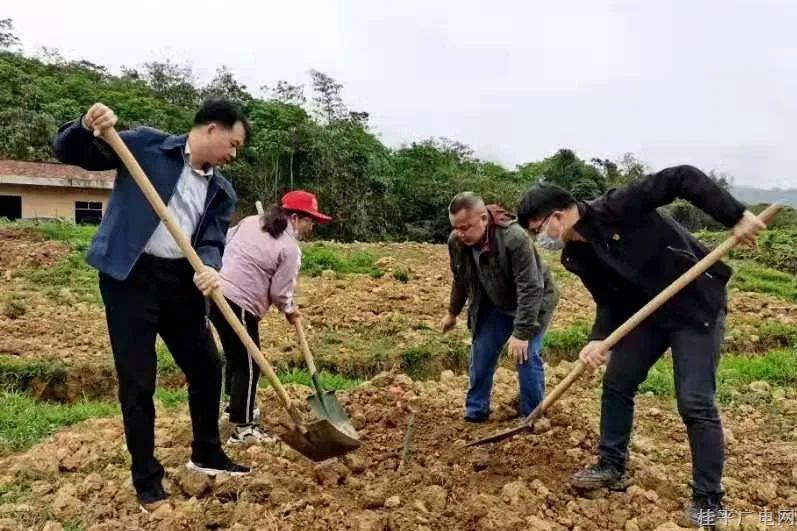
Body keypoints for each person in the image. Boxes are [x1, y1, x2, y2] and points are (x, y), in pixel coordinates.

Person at [517, 165, 765, 528]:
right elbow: (608, 300)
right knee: (617, 383)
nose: (542, 239)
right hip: (647, 314)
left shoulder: (618, 206)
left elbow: (682, 177)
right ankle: (611, 466)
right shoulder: (576, 255)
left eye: (539, 230)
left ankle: (708, 500)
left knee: (695, 401)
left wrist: (735, 215)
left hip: (696, 305)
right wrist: (597, 339)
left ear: (558, 215)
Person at [52, 99, 252, 510]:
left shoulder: (221, 191)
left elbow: (213, 239)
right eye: (232, 144)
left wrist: (211, 267)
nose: (233, 155)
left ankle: (206, 452)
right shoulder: (146, 146)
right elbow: (75, 153)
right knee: (139, 380)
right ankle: (146, 479)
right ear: (211, 129)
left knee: (207, 367)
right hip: (130, 277)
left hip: (182, 281)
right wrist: (87, 125)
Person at [211, 190, 331, 444]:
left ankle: (233, 411)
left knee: (236, 358)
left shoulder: (250, 222)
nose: (311, 226)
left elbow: (226, 241)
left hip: (216, 294)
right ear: (295, 217)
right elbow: (280, 292)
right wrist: (289, 310)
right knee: (250, 364)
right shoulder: (289, 248)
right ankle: (243, 428)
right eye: (310, 220)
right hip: (240, 302)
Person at [440, 192, 559, 422]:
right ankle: (476, 411)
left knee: (526, 354)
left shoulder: (514, 238)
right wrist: (452, 313)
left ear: (484, 219)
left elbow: (531, 287)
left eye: (466, 227)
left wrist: (522, 333)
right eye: (456, 227)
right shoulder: (457, 241)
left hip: (535, 301)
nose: (460, 233)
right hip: (497, 302)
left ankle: (532, 416)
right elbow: (461, 279)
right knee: (481, 351)